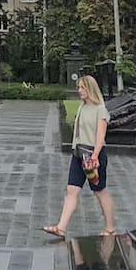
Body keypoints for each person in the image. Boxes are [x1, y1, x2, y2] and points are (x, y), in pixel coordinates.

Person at [44, 73, 115, 240]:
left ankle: (110, 227)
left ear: (90, 89)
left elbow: (100, 136)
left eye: (82, 87)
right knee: (71, 190)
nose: (79, 91)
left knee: (100, 191)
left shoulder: (101, 110)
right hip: (78, 154)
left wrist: (95, 156)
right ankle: (61, 227)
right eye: (78, 88)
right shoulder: (82, 107)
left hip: (93, 156)